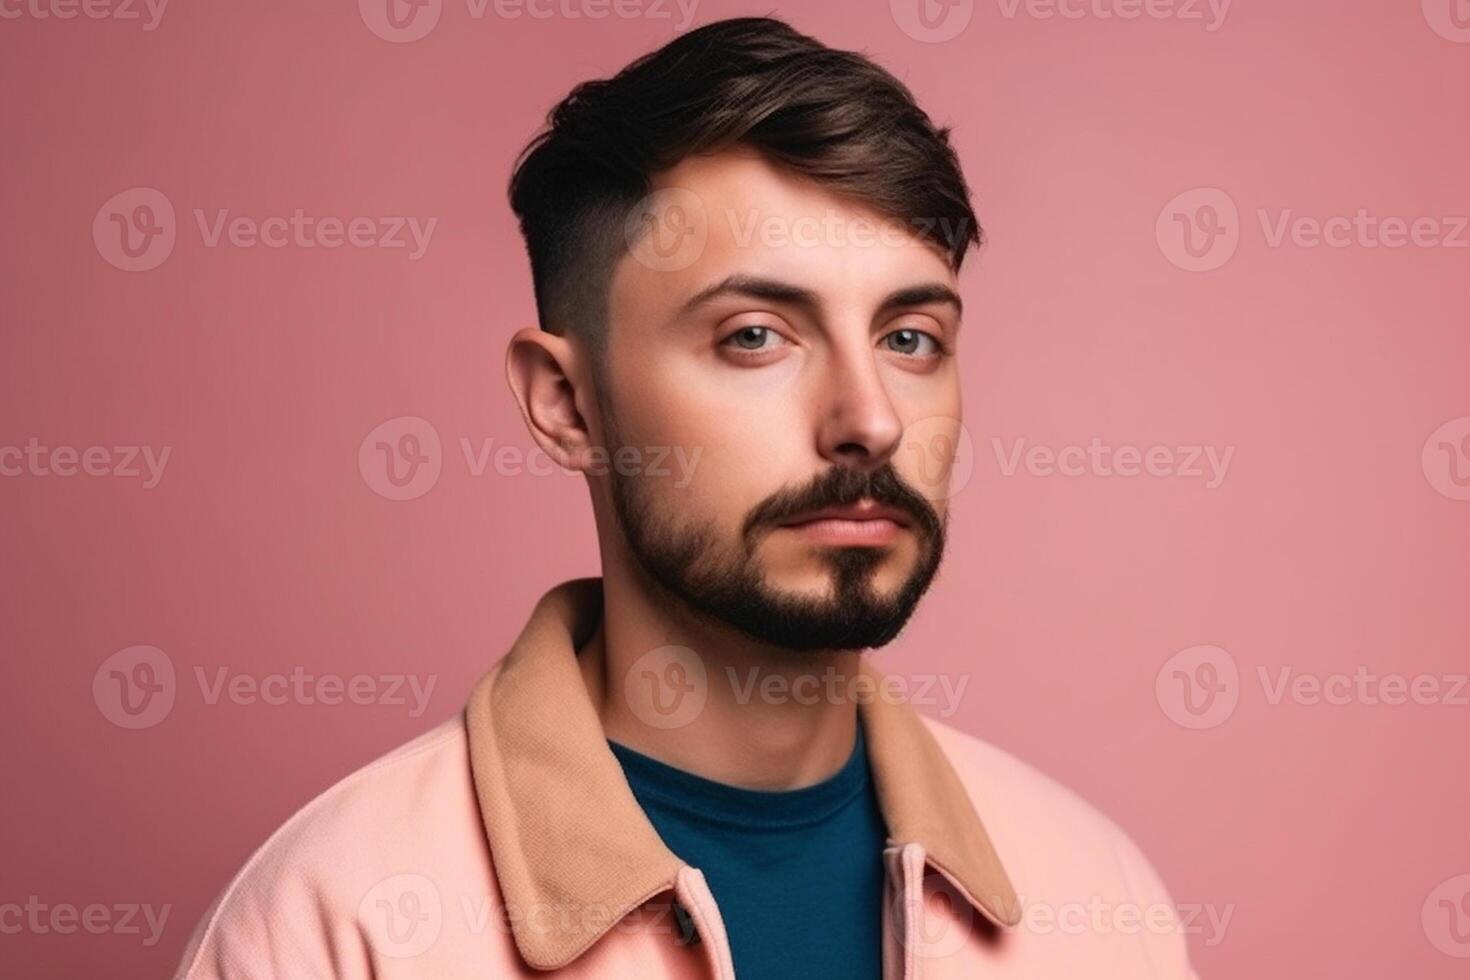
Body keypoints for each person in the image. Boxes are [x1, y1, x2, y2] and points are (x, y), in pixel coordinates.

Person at [175, 17, 1198, 979]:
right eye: (755, 334)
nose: (870, 418)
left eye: (909, 337)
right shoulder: (336, 923)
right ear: (568, 403)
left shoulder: (1098, 901)